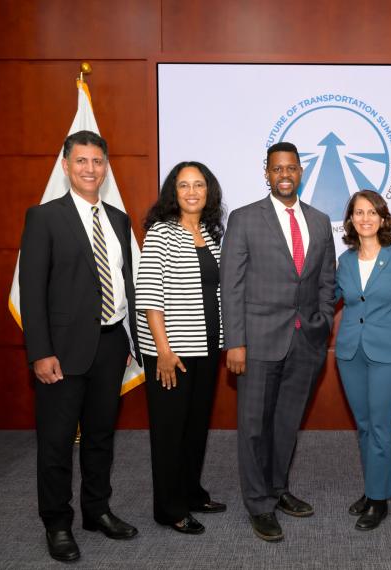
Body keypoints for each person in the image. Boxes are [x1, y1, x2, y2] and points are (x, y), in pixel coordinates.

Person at [19, 130, 142, 562]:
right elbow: (31, 291)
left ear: (106, 167)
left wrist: (128, 337)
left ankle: (97, 510)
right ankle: (57, 523)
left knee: (100, 438)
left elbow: (124, 281)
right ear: (67, 166)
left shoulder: (119, 219)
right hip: (61, 353)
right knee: (55, 443)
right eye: (82, 161)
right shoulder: (44, 217)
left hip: (110, 345)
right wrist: (39, 351)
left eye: (98, 162)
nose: (90, 169)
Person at [220, 141, 336, 542]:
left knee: (286, 424)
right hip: (256, 342)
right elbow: (230, 286)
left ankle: (277, 488)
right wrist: (235, 342)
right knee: (254, 427)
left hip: (305, 342)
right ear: (266, 173)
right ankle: (258, 504)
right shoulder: (245, 219)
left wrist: (320, 320)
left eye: (291, 168)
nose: (284, 174)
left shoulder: (320, 221)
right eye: (277, 169)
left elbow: (326, 280)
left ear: (300, 171)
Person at [135, 161, 227, 536]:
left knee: (195, 427)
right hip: (172, 351)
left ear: (209, 192)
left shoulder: (209, 231)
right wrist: (163, 350)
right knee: (170, 430)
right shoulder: (161, 232)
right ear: (173, 192)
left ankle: (191, 491)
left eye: (199, 185)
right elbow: (149, 295)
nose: (192, 192)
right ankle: (168, 508)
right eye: (184, 185)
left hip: (206, 348)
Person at [335, 190, 391, 531]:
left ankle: (378, 501)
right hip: (350, 353)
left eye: (371, 212)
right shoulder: (345, 261)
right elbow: (328, 299)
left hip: (388, 355)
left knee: (379, 426)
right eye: (358, 212)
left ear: (383, 218)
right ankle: (372, 490)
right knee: (364, 426)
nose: (365, 218)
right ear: (350, 219)